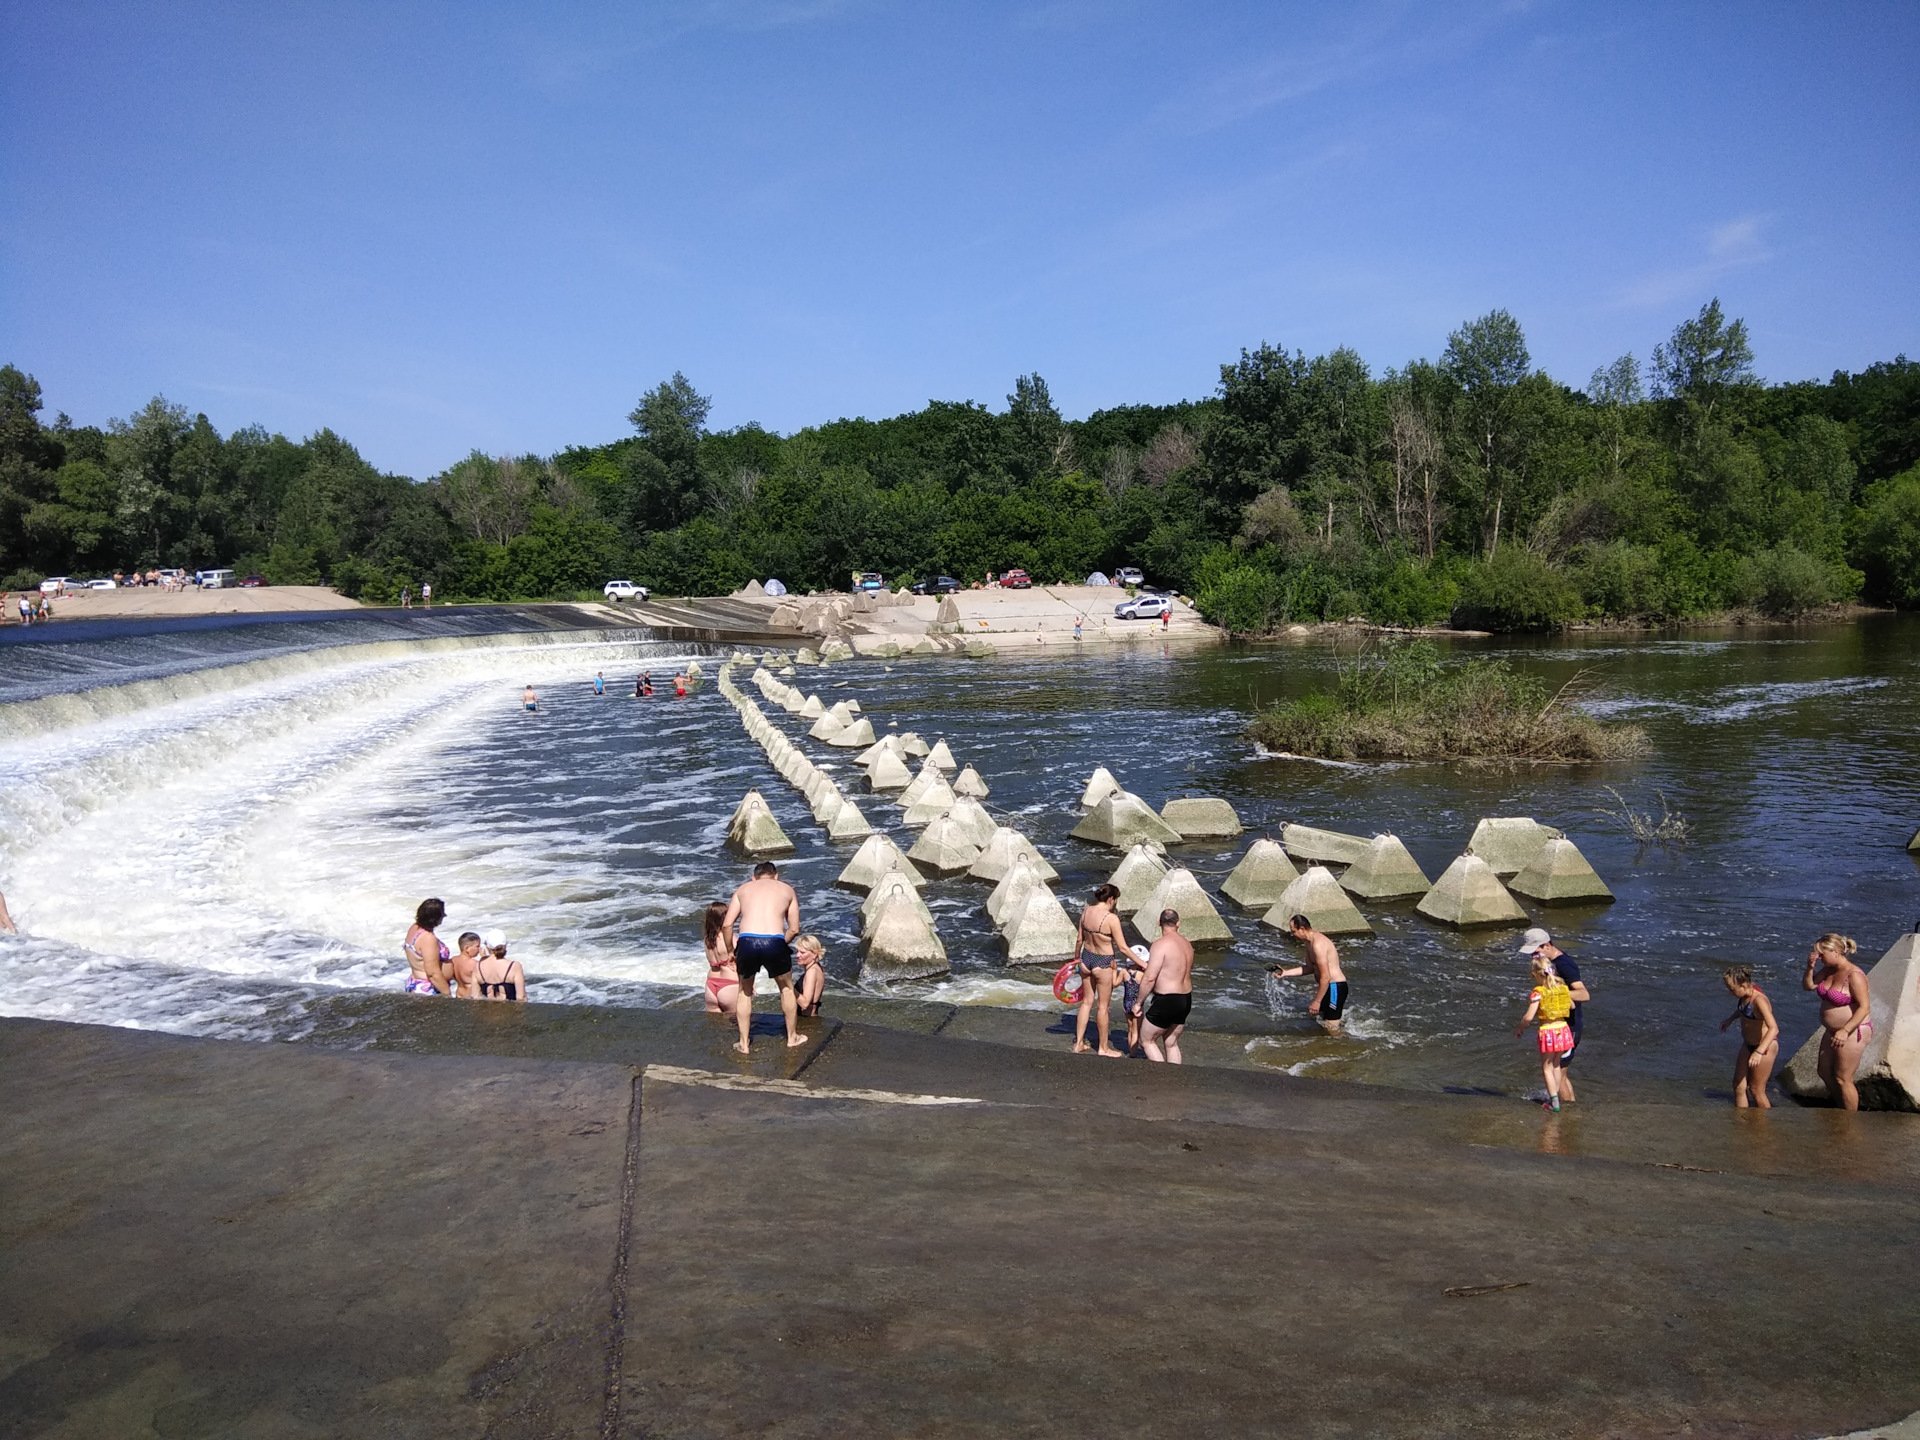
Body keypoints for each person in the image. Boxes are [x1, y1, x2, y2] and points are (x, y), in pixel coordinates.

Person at [721, 861, 805, 1053]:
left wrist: (730, 951)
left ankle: (743, 1043)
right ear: (776, 876)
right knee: (786, 988)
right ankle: (792, 1037)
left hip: (747, 940)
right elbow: (794, 928)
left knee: (744, 991)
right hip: (774, 940)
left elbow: (727, 925)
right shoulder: (787, 889)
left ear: (754, 878)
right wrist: (780, 943)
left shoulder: (743, 889)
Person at [1518, 928, 1590, 1102]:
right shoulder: (1550, 964)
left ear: (1547, 945)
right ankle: (1567, 1105)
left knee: (1560, 1072)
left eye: (1535, 953)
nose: (1533, 958)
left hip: (1569, 1026)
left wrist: (1553, 992)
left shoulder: (1565, 965)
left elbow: (1584, 994)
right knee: (1559, 1070)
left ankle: (1564, 1110)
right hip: (1559, 1026)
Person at [1804, 932, 1871, 1110]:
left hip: (1852, 1031)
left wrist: (1845, 1030)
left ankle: (1849, 1120)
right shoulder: (1827, 970)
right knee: (1824, 1071)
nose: (1819, 957)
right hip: (1833, 1031)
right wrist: (1810, 967)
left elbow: (1864, 1007)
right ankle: (1841, 1107)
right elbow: (1809, 986)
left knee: (1843, 1078)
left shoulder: (1854, 975)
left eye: (1821, 954)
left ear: (1836, 951)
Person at [1072, 883, 1129, 1057]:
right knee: (1103, 1007)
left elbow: (1080, 939)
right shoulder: (1111, 919)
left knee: (1087, 1002)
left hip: (1086, 958)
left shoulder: (1086, 911)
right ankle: (1103, 1048)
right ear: (1111, 899)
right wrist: (1143, 962)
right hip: (1103, 961)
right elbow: (1123, 948)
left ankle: (1079, 1043)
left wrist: (1076, 959)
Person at [1130, 909, 1195, 1063]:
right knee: (1171, 1042)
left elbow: (1150, 978)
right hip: (1186, 998)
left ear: (1159, 923)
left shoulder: (1160, 945)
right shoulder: (1187, 944)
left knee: (1146, 1040)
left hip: (1167, 999)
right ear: (1178, 923)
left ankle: (1161, 1078)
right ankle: (1175, 1080)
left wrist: (1138, 1003)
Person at [1514, 954, 1576, 1111]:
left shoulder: (1538, 992)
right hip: (1563, 1030)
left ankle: (1553, 1102)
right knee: (1556, 1065)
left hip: (1548, 1032)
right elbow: (1572, 1006)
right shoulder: (1562, 988)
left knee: (1546, 1067)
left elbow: (1529, 1017)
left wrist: (1521, 1028)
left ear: (1535, 974)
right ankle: (1555, 1099)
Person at [1270, 915, 1350, 1035]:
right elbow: (1309, 968)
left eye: (1294, 931)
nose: (1292, 935)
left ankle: (1343, 1049)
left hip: (1335, 987)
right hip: (1327, 987)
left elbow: (1326, 977)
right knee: (1322, 1022)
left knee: (1331, 1028)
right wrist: (1285, 973)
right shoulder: (1309, 943)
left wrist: (1317, 1001)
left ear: (1302, 928)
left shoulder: (1318, 944)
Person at [1719, 966, 1779, 1108]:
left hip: (1765, 1047)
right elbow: (1743, 1010)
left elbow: (1774, 1028)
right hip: (1748, 1044)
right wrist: (1730, 1019)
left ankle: (1764, 1126)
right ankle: (1742, 1124)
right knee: (1738, 1086)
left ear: (1744, 985)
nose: (1730, 992)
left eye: (1732, 989)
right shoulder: (1744, 996)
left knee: (1756, 1089)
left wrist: (1758, 1052)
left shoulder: (1759, 1001)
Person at [402, 898, 452, 996]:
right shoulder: (428, 938)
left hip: (415, 982)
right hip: (428, 988)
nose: (444, 915)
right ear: (435, 918)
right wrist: (447, 993)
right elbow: (432, 973)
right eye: (442, 913)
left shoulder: (415, 928)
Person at [701, 901, 740, 1014]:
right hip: (730, 983)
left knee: (716, 1027)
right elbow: (741, 962)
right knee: (739, 1025)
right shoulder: (730, 938)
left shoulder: (707, 940)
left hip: (711, 985)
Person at [475, 930, 526, 1002]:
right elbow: (521, 997)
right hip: (510, 1011)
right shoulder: (514, 966)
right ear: (505, 946)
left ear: (487, 946)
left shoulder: (478, 966)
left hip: (486, 1011)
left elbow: (475, 996)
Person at [792, 933, 827, 1016]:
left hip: (807, 1018)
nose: (797, 955)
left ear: (814, 954)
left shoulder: (812, 972)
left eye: (802, 952)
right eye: (797, 951)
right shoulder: (817, 967)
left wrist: (788, 986)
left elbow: (805, 1003)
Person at [449, 931, 485, 998]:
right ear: (467, 948)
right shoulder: (474, 963)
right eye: (477, 946)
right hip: (470, 996)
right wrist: (484, 958)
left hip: (458, 994)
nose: (479, 949)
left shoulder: (453, 960)